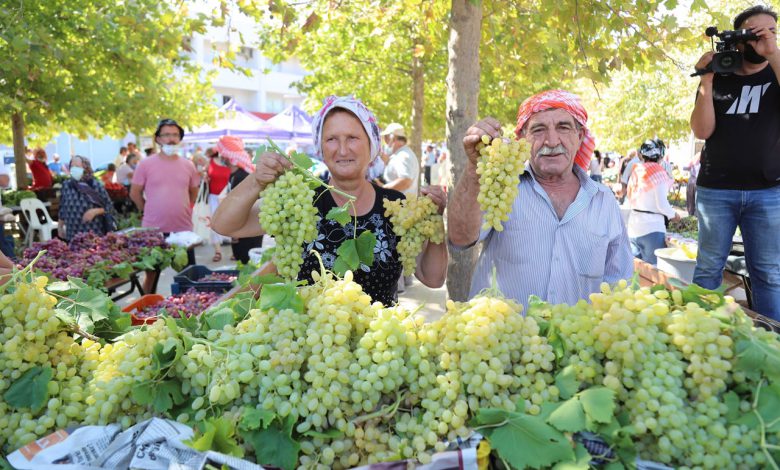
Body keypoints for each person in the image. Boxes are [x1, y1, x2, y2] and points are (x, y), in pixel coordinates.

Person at [212, 95, 448, 305]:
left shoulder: (396, 206)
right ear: (321, 147)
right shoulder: (302, 203)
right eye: (332, 139)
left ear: (372, 145)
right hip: (316, 347)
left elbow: (434, 278)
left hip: (379, 346)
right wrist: (256, 181)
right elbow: (224, 225)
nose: (343, 150)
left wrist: (436, 218)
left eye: (353, 138)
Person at [448, 89, 633, 309]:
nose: (552, 140)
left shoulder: (604, 201)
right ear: (523, 139)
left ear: (580, 136)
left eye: (563, 127)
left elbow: (618, 283)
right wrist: (473, 169)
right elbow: (460, 238)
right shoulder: (501, 187)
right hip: (503, 340)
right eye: (538, 129)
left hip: (575, 341)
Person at [690, 5, 780, 319]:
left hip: (768, 191)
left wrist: (773, 53)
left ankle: (772, 346)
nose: (763, 39)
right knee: (708, 269)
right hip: (716, 190)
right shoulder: (720, 73)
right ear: (738, 39)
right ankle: (698, 336)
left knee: (769, 274)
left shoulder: (776, 71)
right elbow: (702, 131)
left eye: (771, 31)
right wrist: (707, 82)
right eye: (754, 34)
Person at [130, 118, 200, 254]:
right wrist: (146, 209)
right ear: (158, 139)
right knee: (152, 273)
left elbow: (193, 192)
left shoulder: (188, 165)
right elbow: (134, 193)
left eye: (175, 135)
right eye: (166, 135)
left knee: (187, 272)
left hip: (182, 228)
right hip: (153, 229)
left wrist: (183, 207)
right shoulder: (145, 164)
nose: (171, 139)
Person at [626, 139, 680, 265]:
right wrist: (674, 215)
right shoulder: (658, 172)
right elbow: (662, 204)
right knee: (653, 272)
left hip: (634, 226)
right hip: (652, 228)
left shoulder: (637, 170)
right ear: (660, 155)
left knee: (635, 272)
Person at [215, 136, 263, 264]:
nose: (221, 156)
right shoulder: (234, 175)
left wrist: (235, 232)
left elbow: (248, 205)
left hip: (246, 231)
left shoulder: (243, 177)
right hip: (239, 228)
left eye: (222, 152)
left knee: (248, 264)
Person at [59, 155, 116, 241]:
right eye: (72, 166)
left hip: (93, 234)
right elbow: (63, 207)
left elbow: (109, 207)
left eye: (77, 166)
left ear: (86, 168)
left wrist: (95, 211)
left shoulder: (94, 185)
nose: (74, 169)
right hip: (72, 234)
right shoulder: (67, 185)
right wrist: (60, 226)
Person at [206, 144, 231, 262]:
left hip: (228, 198)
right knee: (213, 223)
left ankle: (234, 251)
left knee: (231, 222)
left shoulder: (232, 162)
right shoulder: (210, 162)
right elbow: (204, 177)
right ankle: (218, 251)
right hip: (213, 198)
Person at [380, 123, 419, 197]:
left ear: (392, 138)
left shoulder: (403, 155)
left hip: (401, 206)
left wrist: (382, 189)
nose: (385, 141)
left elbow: (405, 181)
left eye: (385, 137)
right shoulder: (401, 154)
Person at [686, 151, 701, 217]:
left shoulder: (701, 164)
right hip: (693, 181)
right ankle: (691, 214)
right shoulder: (693, 163)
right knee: (691, 198)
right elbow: (685, 167)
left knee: (694, 199)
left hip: (696, 182)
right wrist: (690, 166)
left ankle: (694, 214)